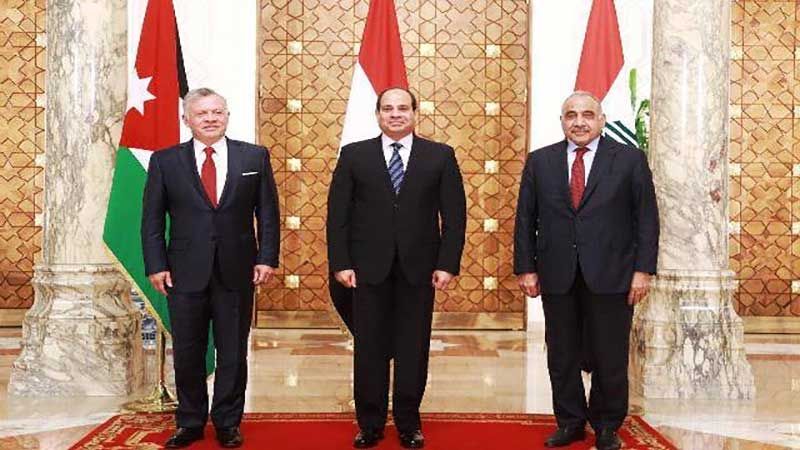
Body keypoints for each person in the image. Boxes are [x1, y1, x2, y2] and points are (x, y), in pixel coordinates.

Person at [513, 91, 659, 450]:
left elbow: (646, 218)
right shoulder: (540, 161)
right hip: (557, 273)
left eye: (587, 115)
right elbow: (525, 219)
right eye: (571, 115)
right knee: (561, 354)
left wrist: (643, 271)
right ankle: (570, 422)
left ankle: (607, 425)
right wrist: (526, 268)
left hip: (613, 273)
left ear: (601, 120)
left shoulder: (629, 159)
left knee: (610, 354)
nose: (579, 122)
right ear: (562, 121)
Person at [327, 87, 466, 449]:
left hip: (419, 269)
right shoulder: (354, 155)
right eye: (387, 108)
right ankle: (370, 424)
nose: (395, 114)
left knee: (412, 348)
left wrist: (447, 264)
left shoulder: (440, 156)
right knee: (369, 348)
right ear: (377, 114)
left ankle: (408, 422)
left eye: (403, 108)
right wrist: (341, 263)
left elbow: (455, 217)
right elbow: (337, 215)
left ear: (415, 113)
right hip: (366, 269)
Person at [141, 87, 280, 449]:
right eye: (202, 113)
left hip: (238, 269)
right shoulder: (165, 161)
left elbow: (268, 212)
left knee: (233, 351)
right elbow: (152, 219)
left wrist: (267, 257)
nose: (211, 119)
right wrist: (156, 264)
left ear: (227, 116)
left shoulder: (254, 156)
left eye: (217, 112)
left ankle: (227, 422)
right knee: (188, 350)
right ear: (187, 119)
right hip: (183, 271)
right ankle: (189, 422)